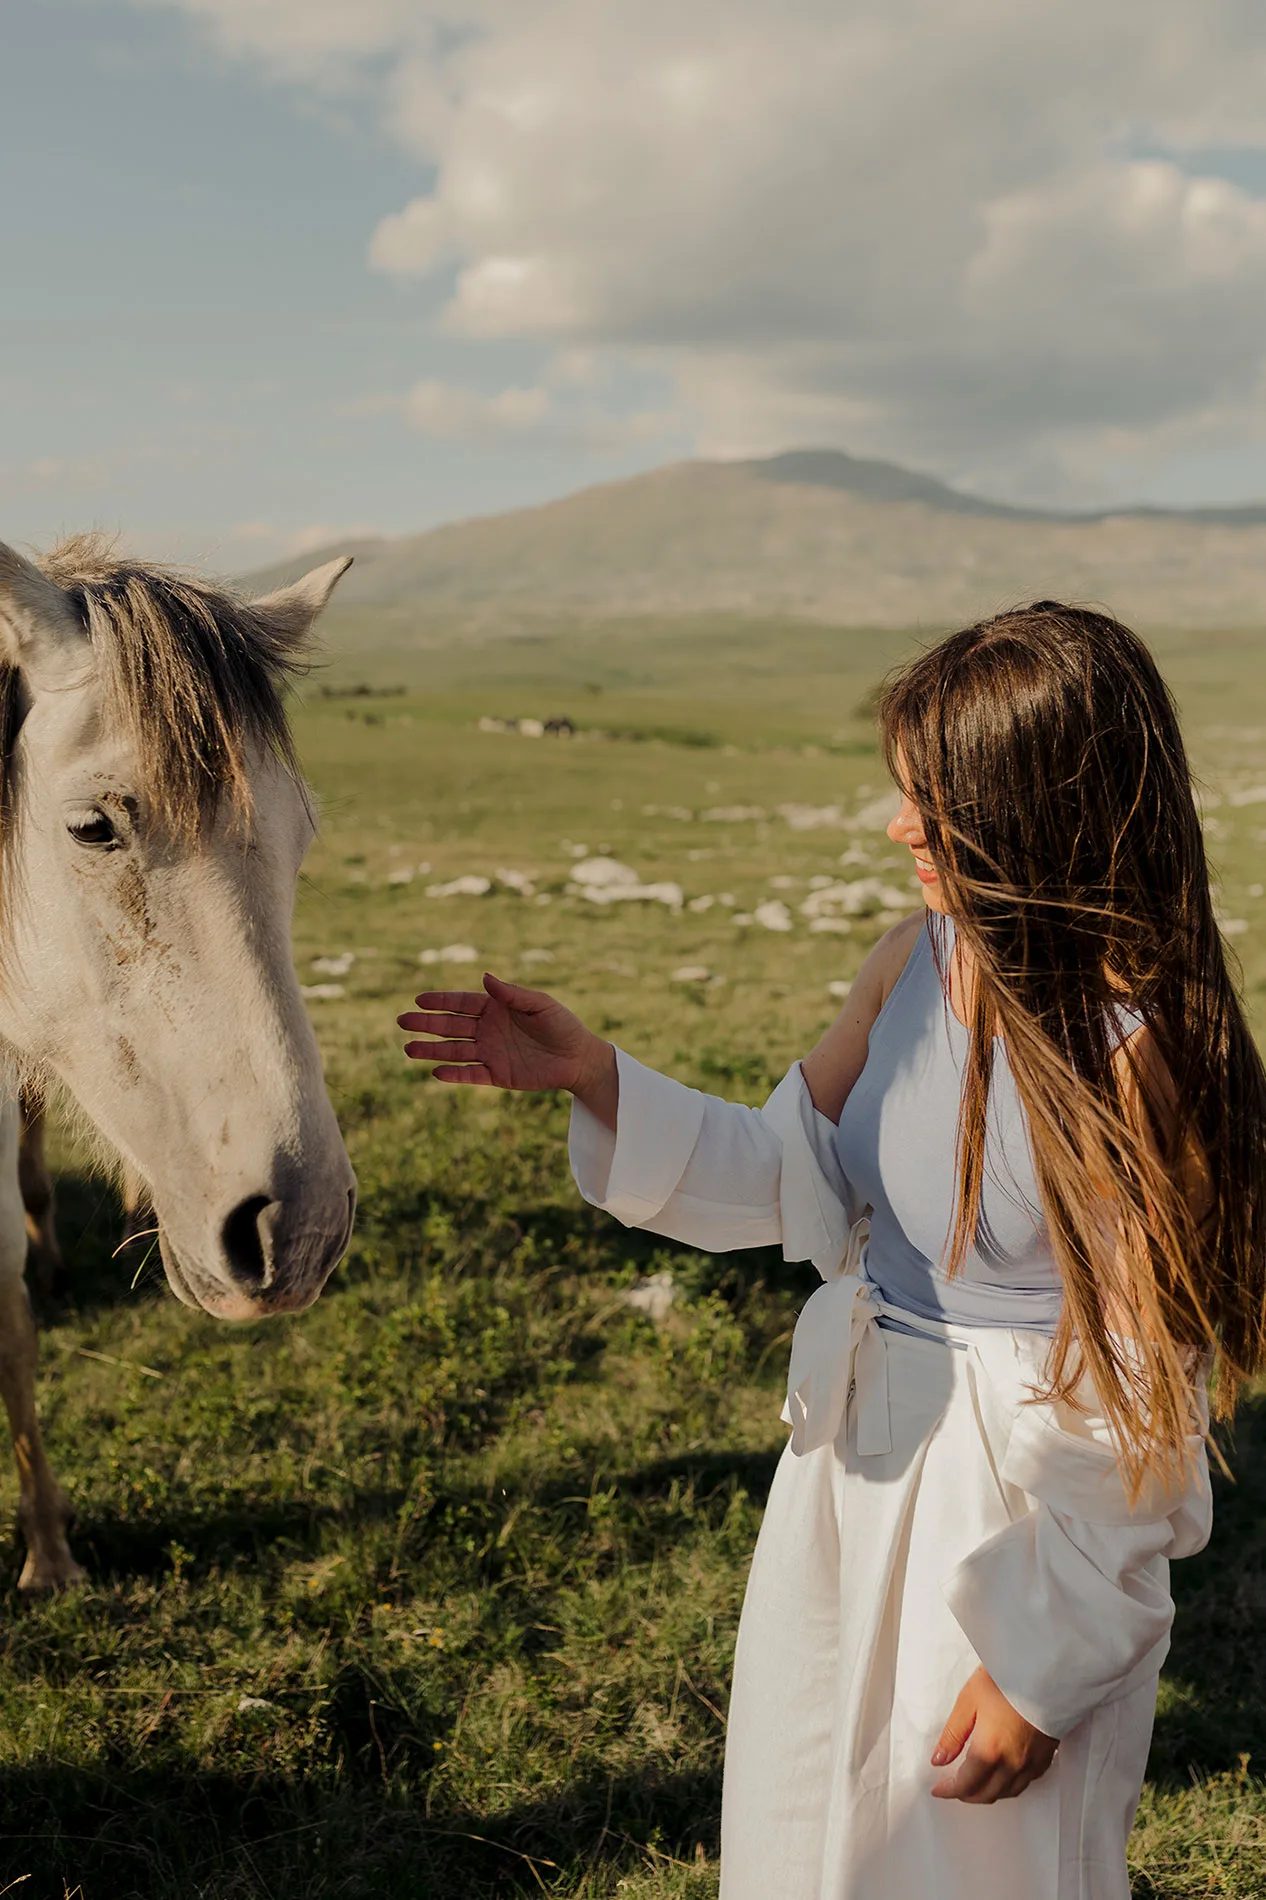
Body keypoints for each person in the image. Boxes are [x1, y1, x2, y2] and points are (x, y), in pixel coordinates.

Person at [397, 602, 1266, 1900]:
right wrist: (593, 1075)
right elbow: (784, 1174)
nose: (896, 826)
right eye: (900, 791)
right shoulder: (907, 960)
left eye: (936, 799)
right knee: (812, 1835)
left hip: (1007, 1516)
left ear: (1043, 805)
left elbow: (1148, 1384)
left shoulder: (1141, 1048)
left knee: (971, 1864)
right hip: (847, 1462)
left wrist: (1041, 1657)